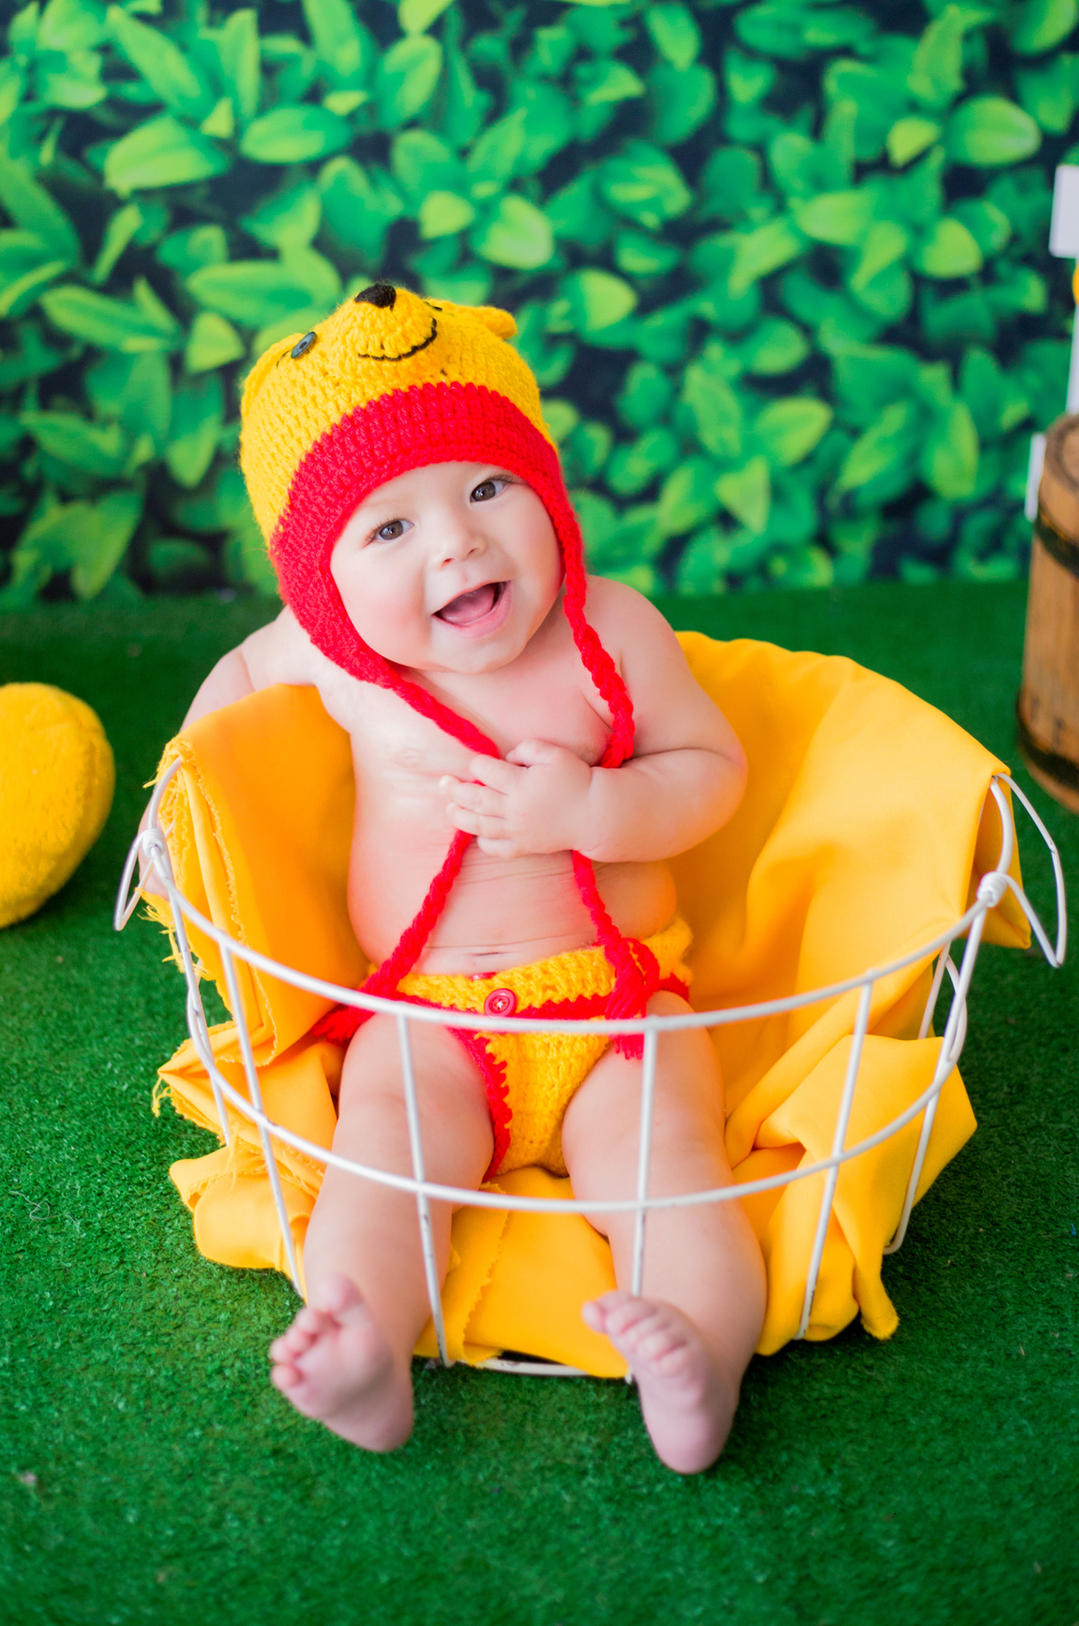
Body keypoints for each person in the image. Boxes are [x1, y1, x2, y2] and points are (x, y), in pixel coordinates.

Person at [170, 284, 766, 1470]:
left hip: (616, 1007)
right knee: (378, 1165)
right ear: (321, 587)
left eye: (489, 488)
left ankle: (698, 1351)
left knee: (670, 1170)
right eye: (388, 530)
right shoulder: (331, 665)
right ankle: (366, 1343)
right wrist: (183, 819)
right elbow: (219, 717)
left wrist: (596, 807)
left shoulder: (611, 630)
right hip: (424, 1020)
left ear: (547, 497)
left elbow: (713, 770)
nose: (456, 541)